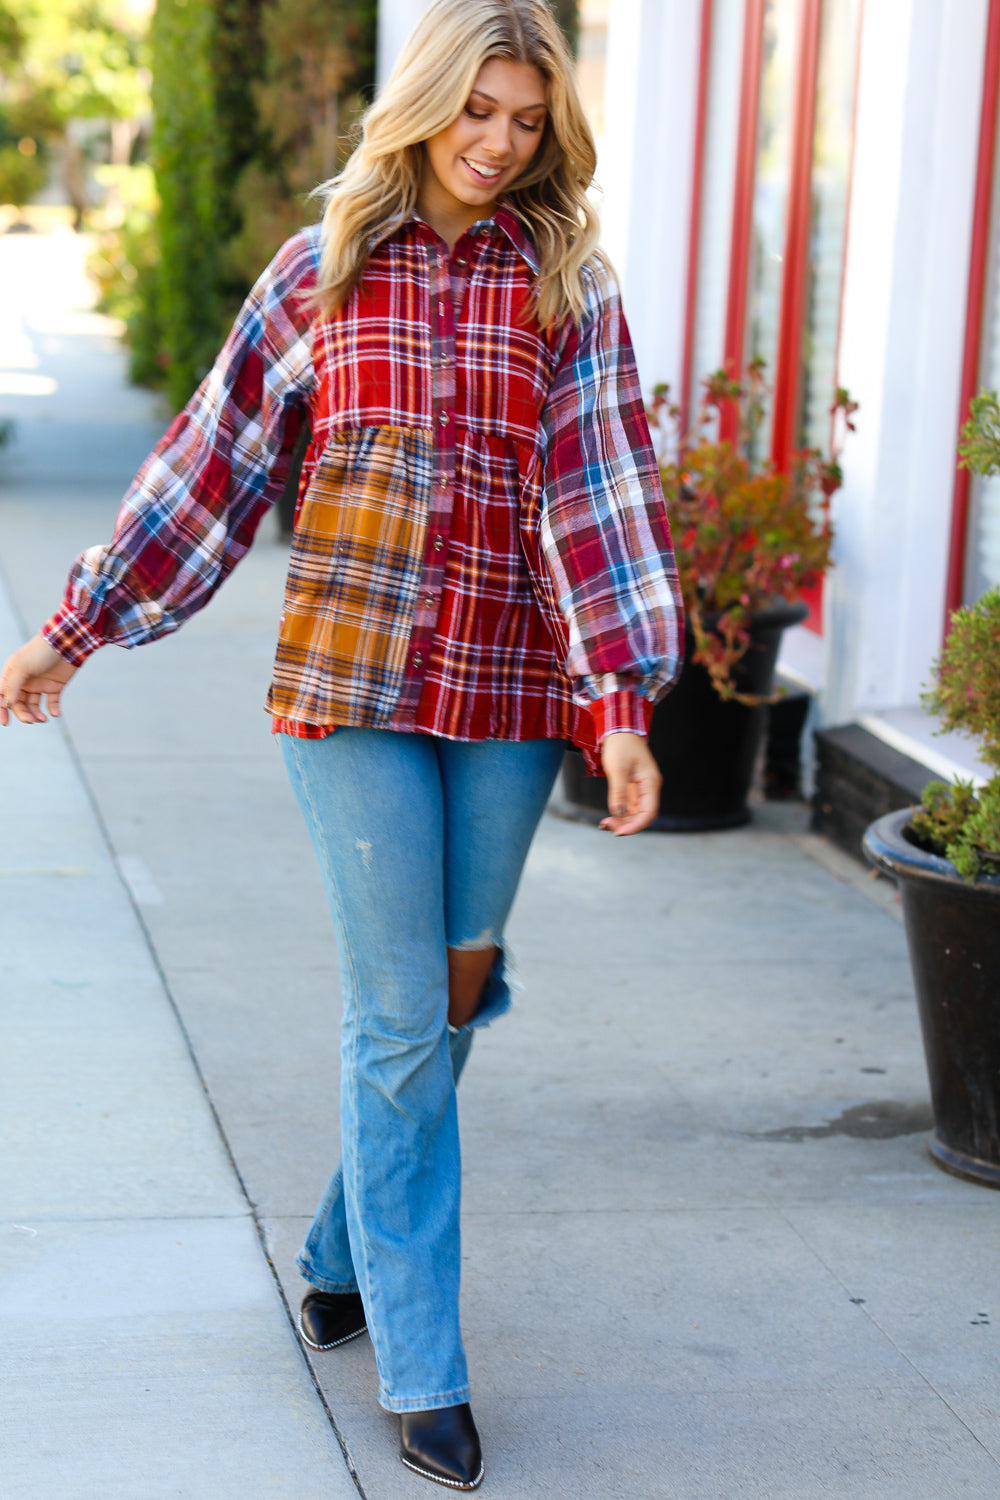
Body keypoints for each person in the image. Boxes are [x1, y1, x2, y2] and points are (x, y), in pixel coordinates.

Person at [0, 0, 682, 1487]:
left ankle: (338, 1239)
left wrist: (619, 703)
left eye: (526, 119)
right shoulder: (323, 271)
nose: (499, 143)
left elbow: (603, 495)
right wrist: (75, 627)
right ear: (426, 105)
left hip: (508, 699)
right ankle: (422, 1373)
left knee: (450, 1001)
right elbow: (212, 462)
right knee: (392, 1017)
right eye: (478, 110)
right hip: (350, 693)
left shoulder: (568, 284)